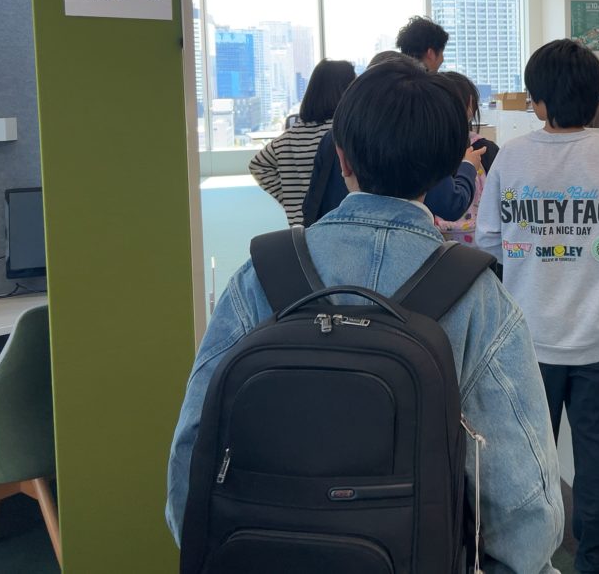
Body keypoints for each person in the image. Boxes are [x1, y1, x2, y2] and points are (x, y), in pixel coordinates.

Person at [167, 62, 565, 574]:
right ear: (448, 168)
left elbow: (191, 452)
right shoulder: (478, 297)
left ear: (341, 157)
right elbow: (525, 504)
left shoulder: (260, 277)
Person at [477, 39, 599, 574]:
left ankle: (528, 561)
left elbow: (487, 240)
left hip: (529, 341)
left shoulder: (512, 156)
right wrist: (596, 269)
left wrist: (531, 263)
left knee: (528, 464)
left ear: (537, 101)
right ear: (595, 98)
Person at [302, 55, 483, 225]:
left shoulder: (336, 135)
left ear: (343, 160)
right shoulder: (418, 133)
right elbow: (451, 205)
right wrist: (467, 166)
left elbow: (312, 202)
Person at [247, 59, 355, 225]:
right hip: (336, 225)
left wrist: (291, 201)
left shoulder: (289, 136)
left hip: (300, 230)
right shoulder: (342, 134)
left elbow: (258, 165)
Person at [435, 71, 500, 244]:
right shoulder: (486, 149)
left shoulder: (425, 152)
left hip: (435, 247)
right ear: (470, 105)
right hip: (483, 248)